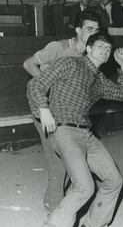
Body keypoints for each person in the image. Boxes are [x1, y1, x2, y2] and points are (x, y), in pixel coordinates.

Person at [28, 32, 123, 227]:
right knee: (84, 187)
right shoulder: (69, 63)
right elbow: (35, 85)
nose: (104, 51)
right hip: (64, 130)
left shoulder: (99, 79)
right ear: (87, 48)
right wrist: (44, 109)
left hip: (86, 133)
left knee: (114, 180)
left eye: (108, 49)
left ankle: (94, 226)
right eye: (99, 46)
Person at [23, 12, 100, 212]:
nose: (93, 33)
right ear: (78, 30)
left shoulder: (88, 55)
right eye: (89, 29)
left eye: (97, 30)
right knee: (58, 158)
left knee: (64, 157)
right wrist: (50, 87)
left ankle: (52, 201)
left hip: (65, 111)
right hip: (43, 106)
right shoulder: (59, 47)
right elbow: (28, 63)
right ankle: (54, 208)